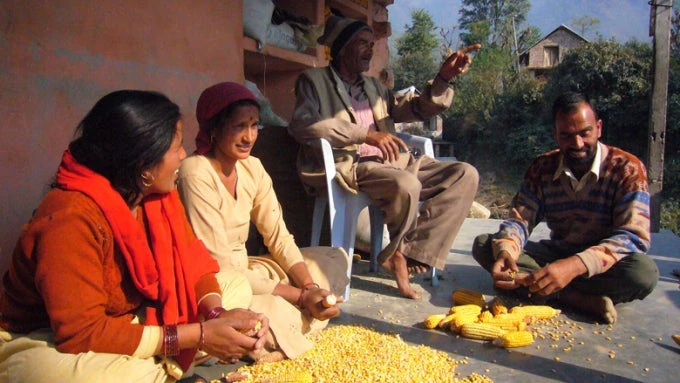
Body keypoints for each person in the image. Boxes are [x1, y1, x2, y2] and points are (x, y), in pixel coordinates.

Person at [0, 90, 270, 383]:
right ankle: (163, 367)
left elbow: (194, 264)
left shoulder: (156, 196)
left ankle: (160, 366)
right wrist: (199, 336)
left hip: (127, 319)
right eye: (176, 147)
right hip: (48, 340)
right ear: (144, 164)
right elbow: (81, 333)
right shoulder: (70, 216)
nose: (183, 155)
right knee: (66, 375)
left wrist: (217, 315)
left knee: (235, 286)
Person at [287, 15, 481, 299]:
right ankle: (395, 256)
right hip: (352, 166)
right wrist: (365, 135)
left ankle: (413, 253)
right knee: (407, 185)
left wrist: (443, 78)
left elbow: (417, 108)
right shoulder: (313, 81)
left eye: (372, 44)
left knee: (465, 174)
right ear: (342, 48)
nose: (370, 50)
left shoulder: (374, 87)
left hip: (394, 163)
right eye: (363, 44)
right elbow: (304, 124)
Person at [177, 82, 348, 362]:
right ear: (214, 129)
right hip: (216, 282)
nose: (249, 136)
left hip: (248, 270)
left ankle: (273, 331)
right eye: (239, 126)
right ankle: (272, 333)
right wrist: (298, 297)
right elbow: (219, 267)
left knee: (332, 258)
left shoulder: (252, 167)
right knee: (248, 301)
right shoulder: (195, 173)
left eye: (255, 125)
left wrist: (307, 287)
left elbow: (278, 236)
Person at [472, 91, 659, 324]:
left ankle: (546, 290)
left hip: (602, 265)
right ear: (555, 135)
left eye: (585, 133)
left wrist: (574, 266)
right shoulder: (542, 167)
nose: (577, 144)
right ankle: (577, 298)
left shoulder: (628, 169)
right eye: (567, 136)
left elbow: (633, 237)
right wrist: (507, 250)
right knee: (484, 245)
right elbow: (520, 218)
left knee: (643, 273)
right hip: (557, 253)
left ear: (598, 128)